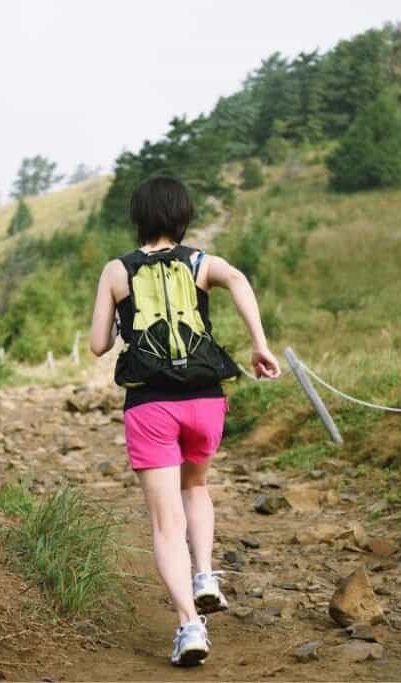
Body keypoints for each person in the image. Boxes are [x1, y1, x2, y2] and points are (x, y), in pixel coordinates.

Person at [88, 175, 281, 666]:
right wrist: (259, 344)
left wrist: (117, 317)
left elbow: (98, 345)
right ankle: (206, 574)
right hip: (205, 401)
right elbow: (238, 279)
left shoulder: (117, 270)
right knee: (196, 487)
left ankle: (189, 626)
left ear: (138, 217)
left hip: (151, 405)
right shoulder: (200, 261)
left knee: (164, 521)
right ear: (183, 217)